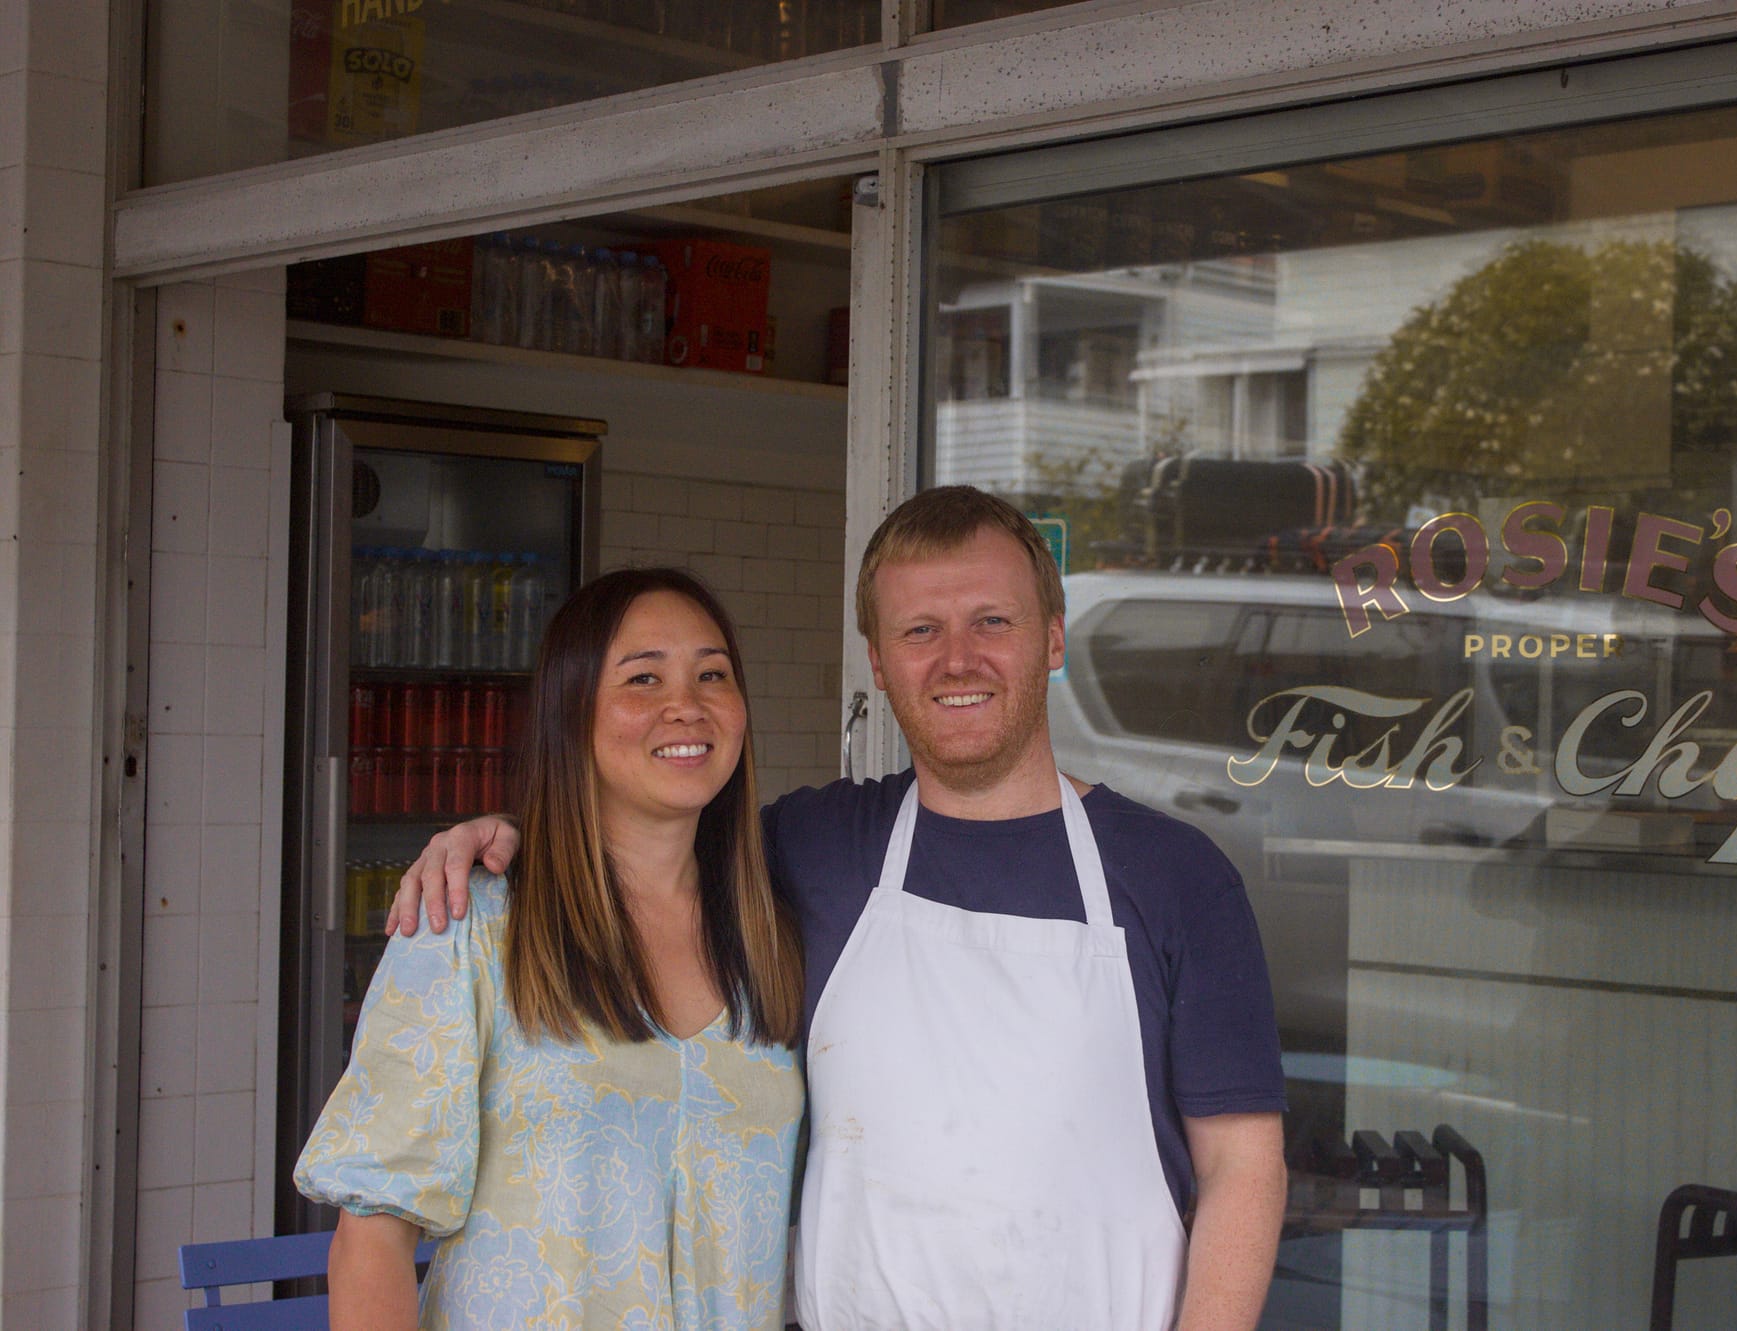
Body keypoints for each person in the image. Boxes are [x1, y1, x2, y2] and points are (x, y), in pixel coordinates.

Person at [393, 487, 1290, 1331]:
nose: (957, 658)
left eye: (993, 621)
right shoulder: (811, 848)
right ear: (879, 660)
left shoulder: (1176, 878)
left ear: (1052, 638)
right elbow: (643, 837)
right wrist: (505, 837)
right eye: (920, 629)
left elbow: (1242, 1168)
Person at [296, 568, 804, 1331]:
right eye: (643, 677)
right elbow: (371, 1242)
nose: (686, 704)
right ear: (573, 712)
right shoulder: (470, 921)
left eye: (712, 673)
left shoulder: (775, 931)